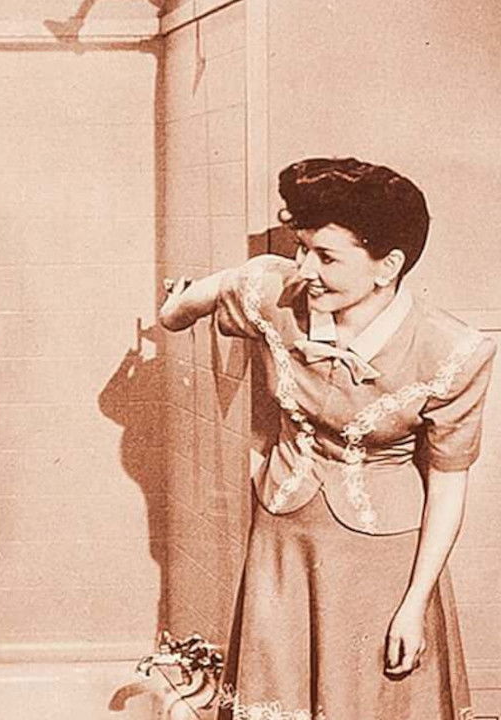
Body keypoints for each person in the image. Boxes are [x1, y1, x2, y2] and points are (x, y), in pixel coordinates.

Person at [159, 157, 495, 719]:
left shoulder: (453, 351)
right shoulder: (277, 294)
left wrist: (415, 604)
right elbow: (185, 309)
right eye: (302, 248)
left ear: (387, 266)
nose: (305, 268)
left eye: (326, 256)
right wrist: (178, 305)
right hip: (282, 542)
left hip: (382, 563)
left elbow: (447, 487)